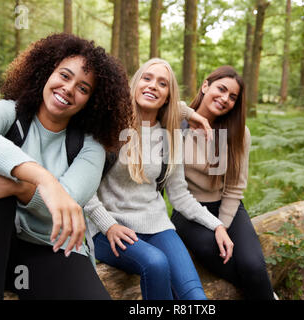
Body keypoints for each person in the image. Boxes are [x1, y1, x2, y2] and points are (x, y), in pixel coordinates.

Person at [0, 33, 133, 300]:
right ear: (46, 73)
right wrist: (44, 180)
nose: (69, 89)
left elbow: (66, 204)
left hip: (46, 249)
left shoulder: (90, 146)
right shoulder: (7, 113)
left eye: (83, 88)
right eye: (64, 75)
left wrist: (16, 187)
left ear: (92, 101)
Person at [84, 58, 233, 300]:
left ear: (168, 97)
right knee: (155, 264)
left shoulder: (170, 136)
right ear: (135, 84)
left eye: (162, 84)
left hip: (157, 226)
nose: (153, 86)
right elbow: (85, 189)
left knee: (195, 297)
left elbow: (180, 196)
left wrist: (217, 224)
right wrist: (108, 225)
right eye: (147, 78)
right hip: (107, 229)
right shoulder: (108, 125)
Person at [171, 65, 275, 300]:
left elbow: (235, 187)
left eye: (233, 97)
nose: (225, 98)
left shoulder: (238, 133)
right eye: (221, 89)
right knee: (212, 249)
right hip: (189, 209)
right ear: (205, 85)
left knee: (252, 265)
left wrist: (222, 226)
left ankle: (263, 290)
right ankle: (262, 291)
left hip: (227, 205)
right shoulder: (176, 125)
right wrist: (189, 114)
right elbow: (160, 105)